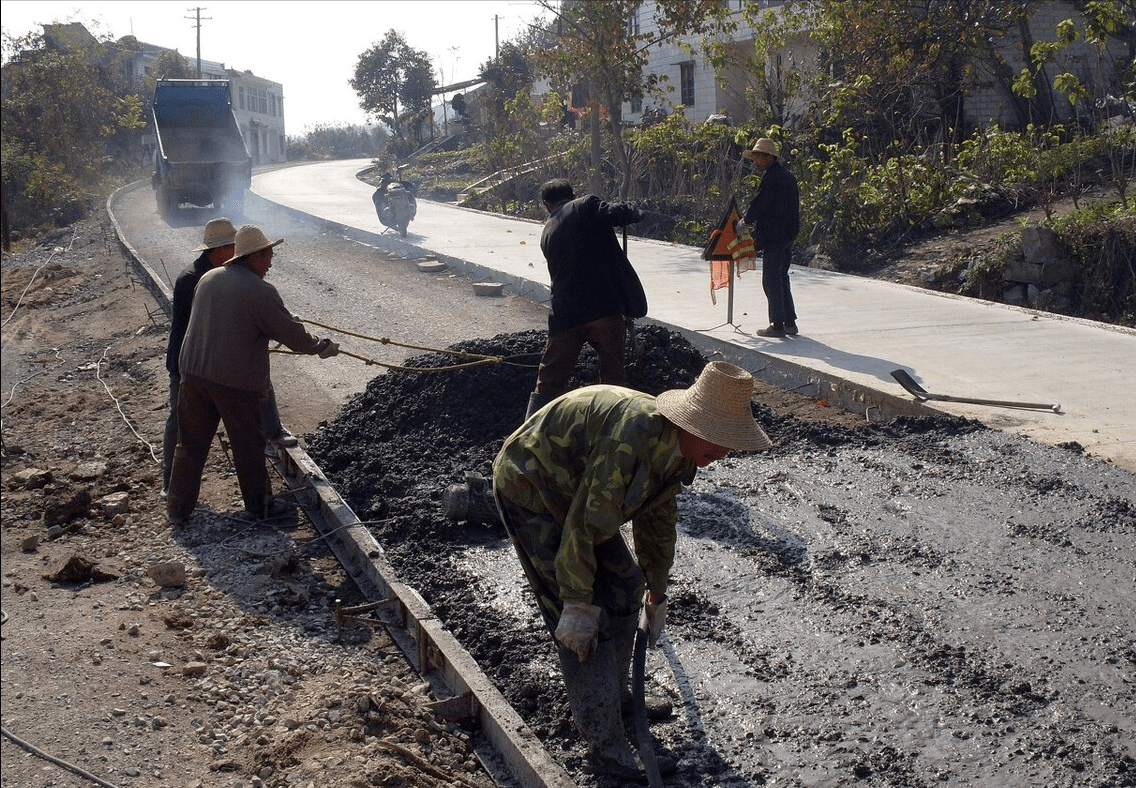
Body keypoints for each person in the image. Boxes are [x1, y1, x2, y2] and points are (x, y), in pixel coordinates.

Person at [491, 361, 772, 780]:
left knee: (625, 584)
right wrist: (576, 603)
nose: (723, 452)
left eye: (729, 443)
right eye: (717, 440)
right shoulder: (633, 438)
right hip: (532, 485)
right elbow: (584, 527)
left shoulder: (681, 451)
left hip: (577, 492)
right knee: (581, 624)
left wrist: (655, 592)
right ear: (691, 423)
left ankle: (617, 694)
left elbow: (656, 520)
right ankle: (604, 743)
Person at [166, 224, 340, 525]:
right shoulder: (259, 290)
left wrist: (280, 319)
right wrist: (321, 347)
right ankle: (260, 507)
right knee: (248, 445)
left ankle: (177, 509)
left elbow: (235, 318)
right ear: (253, 256)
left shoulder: (208, 277)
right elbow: (293, 337)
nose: (272, 259)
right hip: (234, 382)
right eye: (268, 253)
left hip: (192, 374)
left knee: (190, 443)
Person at [526, 179, 647, 419]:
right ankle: (613, 425)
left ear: (547, 204)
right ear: (572, 194)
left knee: (549, 380)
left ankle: (529, 431)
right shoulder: (584, 205)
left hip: (564, 316)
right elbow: (615, 213)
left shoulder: (546, 233)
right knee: (613, 374)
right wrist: (633, 210)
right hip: (602, 310)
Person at [162, 218, 236, 495]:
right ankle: (171, 483)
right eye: (233, 247)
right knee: (180, 422)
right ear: (219, 250)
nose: (236, 254)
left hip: (205, 362)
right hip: (187, 363)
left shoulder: (215, 273)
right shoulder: (194, 279)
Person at [742, 137, 801, 338]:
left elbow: (760, 204)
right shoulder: (787, 176)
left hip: (775, 236)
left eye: (757, 157)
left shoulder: (771, 178)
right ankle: (790, 323)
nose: (755, 162)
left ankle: (777, 325)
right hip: (788, 235)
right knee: (782, 277)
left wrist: (746, 222)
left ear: (768, 158)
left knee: (771, 280)